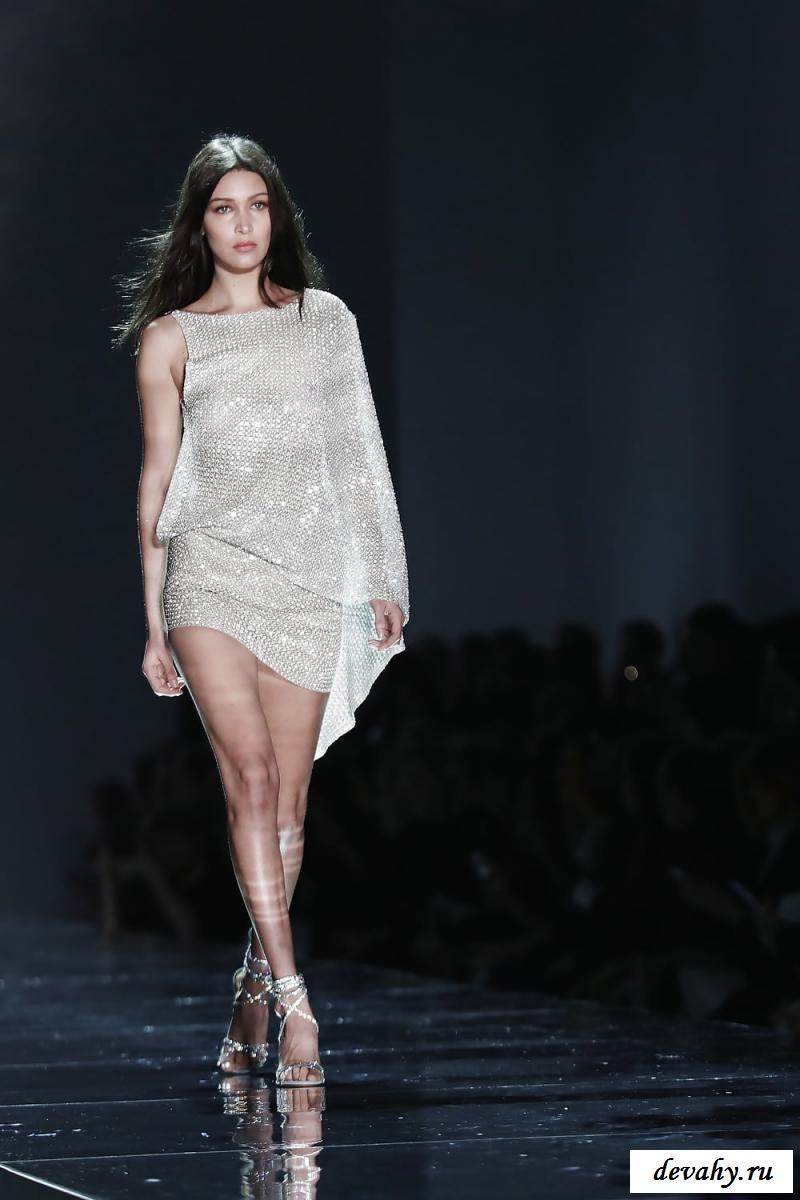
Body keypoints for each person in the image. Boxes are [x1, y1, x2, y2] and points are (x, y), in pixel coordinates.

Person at [113, 133, 410, 1088]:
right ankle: (293, 999)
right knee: (246, 776)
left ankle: (250, 989)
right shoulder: (171, 337)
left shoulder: (325, 320)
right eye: (222, 208)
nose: (242, 225)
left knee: (287, 803)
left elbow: (359, 451)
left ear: (276, 216)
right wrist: (154, 621)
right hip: (208, 572)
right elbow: (158, 480)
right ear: (198, 225)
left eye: (257, 205)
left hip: (310, 575)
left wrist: (382, 575)